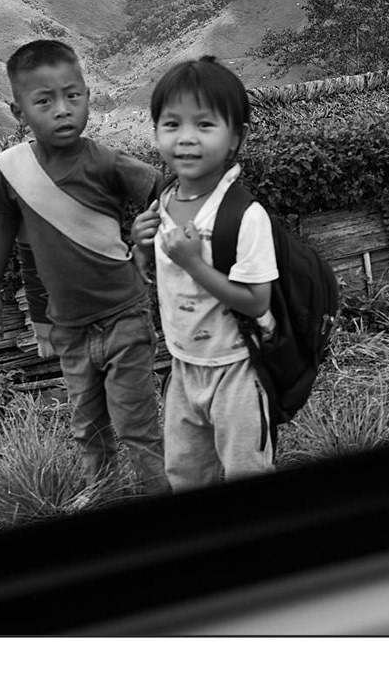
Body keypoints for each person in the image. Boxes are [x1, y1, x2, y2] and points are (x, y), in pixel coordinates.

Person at [0, 39, 170, 499]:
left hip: (124, 315)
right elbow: (5, 228)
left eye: (74, 96)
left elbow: (165, 193)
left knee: (136, 426)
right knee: (88, 429)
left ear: (88, 95)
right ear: (18, 111)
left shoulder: (105, 161)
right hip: (69, 330)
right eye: (44, 101)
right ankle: (103, 495)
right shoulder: (12, 171)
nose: (63, 110)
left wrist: (146, 239)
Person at [131, 56, 278, 491]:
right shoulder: (165, 200)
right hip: (182, 366)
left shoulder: (244, 215)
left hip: (236, 368)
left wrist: (194, 263)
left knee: (245, 470)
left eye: (205, 125)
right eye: (172, 124)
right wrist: (139, 247)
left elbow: (257, 301)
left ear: (236, 138)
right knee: (185, 474)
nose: (186, 139)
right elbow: (153, 275)